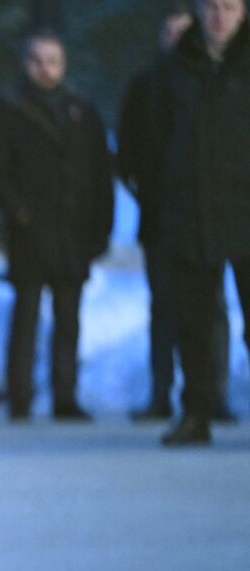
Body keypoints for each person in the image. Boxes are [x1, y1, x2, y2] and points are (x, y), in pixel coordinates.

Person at [0, 32, 113, 421]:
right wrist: (18, 211)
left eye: (53, 60)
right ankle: (19, 396)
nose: (46, 68)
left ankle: (65, 396)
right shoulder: (10, 110)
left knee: (68, 317)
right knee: (25, 315)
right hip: (30, 230)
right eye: (38, 60)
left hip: (73, 230)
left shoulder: (81, 111)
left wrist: (99, 226)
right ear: (25, 64)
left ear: (64, 64)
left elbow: (100, 173)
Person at [119, 8, 232, 423]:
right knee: (173, 310)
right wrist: (151, 192)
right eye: (168, 31)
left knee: (212, 309)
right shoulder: (150, 83)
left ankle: (213, 395)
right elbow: (133, 147)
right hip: (167, 213)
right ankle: (168, 396)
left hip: (223, 213)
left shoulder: (222, 75)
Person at [149, 0, 250, 445]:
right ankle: (196, 412)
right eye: (211, 6)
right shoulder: (174, 69)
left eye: (229, 7)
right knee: (194, 322)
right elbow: (151, 142)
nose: (219, 16)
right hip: (190, 214)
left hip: (246, 211)